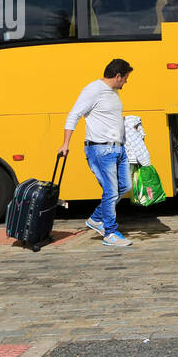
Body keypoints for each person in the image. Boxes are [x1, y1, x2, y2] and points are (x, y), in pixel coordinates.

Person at [62, 60, 134, 246]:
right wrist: (65, 144)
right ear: (118, 76)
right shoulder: (93, 90)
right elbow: (73, 115)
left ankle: (96, 219)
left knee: (124, 186)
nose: (126, 82)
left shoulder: (113, 92)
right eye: (125, 78)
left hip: (118, 147)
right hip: (101, 149)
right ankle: (110, 233)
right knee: (110, 192)